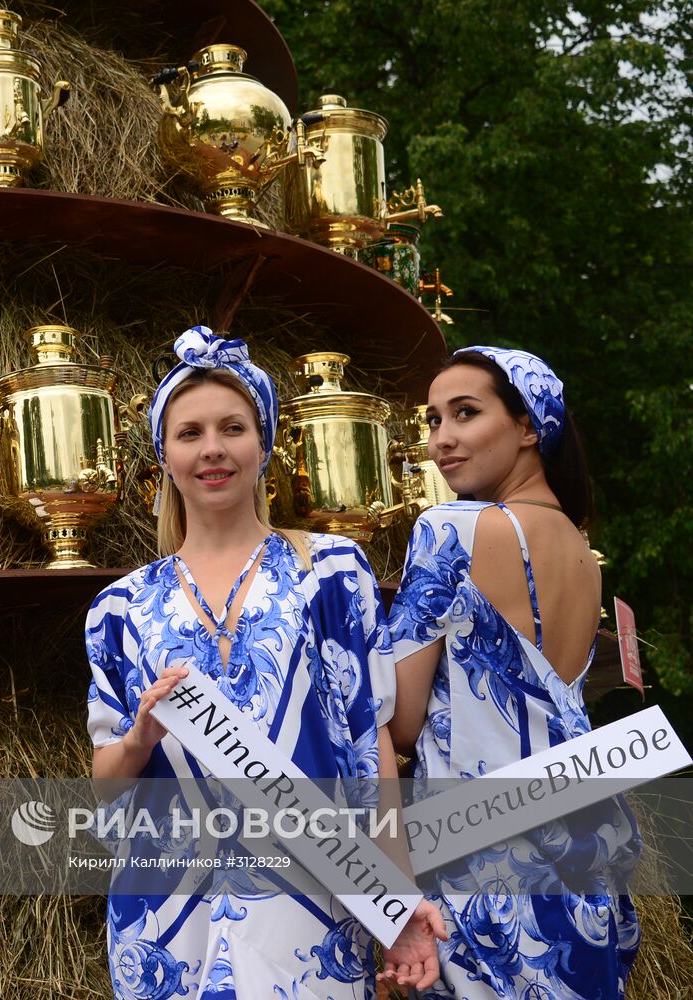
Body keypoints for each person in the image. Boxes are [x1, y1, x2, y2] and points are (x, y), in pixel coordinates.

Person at [85, 327, 445, 1000]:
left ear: (265, 442)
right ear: (163, 454)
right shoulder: (119, 607)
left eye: (232, 427)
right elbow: (107, 785)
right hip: (166, 912)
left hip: (309, 904)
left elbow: (372, 751)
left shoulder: (332, 571)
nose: (212, 449)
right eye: (189, 433)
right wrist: (139, 737)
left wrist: (394, 904)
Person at [387, 346, 642, 998]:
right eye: (432, 420)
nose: (440, 440)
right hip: (581, 853)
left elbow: (399, 721)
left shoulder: (449, 530)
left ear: (528, 427)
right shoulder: (583, 555)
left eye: (464, 413)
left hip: (482, 863)